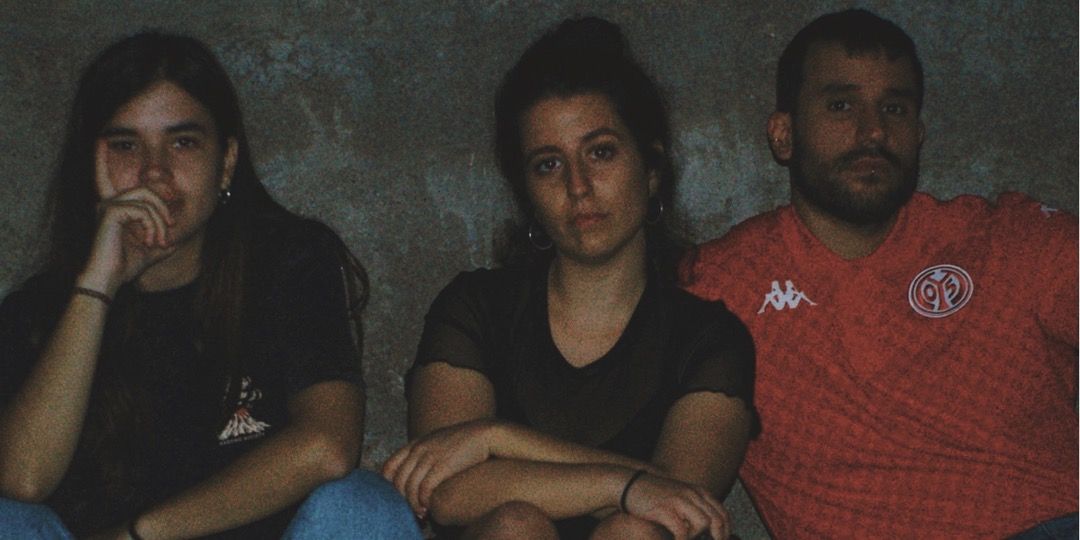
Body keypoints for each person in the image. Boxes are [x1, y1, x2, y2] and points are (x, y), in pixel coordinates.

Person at [0, 32, 421, 539]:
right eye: (125, 145)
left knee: (360, 506)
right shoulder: (40, 310)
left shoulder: (288, 263)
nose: (154, 172)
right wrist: (96, 285)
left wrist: (142, 534)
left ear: (226, 161)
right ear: (89, 164)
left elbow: (328, 445)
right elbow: (23, 480)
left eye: (183, 142)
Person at [684, 9, 1077, 539]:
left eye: (894, 108)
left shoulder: (1010, 241)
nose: (873, 131)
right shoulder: (721, 283)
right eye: (841, 105)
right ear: (784, 135)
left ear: (918, 133)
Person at [382, 17, 757, 540]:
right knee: (514, 525)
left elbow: (680, 503)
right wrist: (622, 485)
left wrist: (495, 439)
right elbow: (446, 494)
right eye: (548, 165)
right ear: (527, 194)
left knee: (633, 534)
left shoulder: (709, 340)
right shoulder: (476, 309)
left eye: (600, 152)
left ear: (651, 170)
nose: (578, 186)